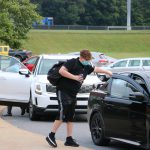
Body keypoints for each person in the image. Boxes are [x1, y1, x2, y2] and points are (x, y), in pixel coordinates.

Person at [46, 50, 112, 148]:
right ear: (81, 58)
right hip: (63, 91)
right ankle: (51, 135)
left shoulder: (86, 66)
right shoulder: (72, 62)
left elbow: (95, 69)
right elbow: (61, 71)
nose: (88, 61)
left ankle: (69, 139)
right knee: (62, 112)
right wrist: (75, 77)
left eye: (89, 60)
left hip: (73, 93)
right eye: (86, 60)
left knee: (70, 115)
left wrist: (107, 71)